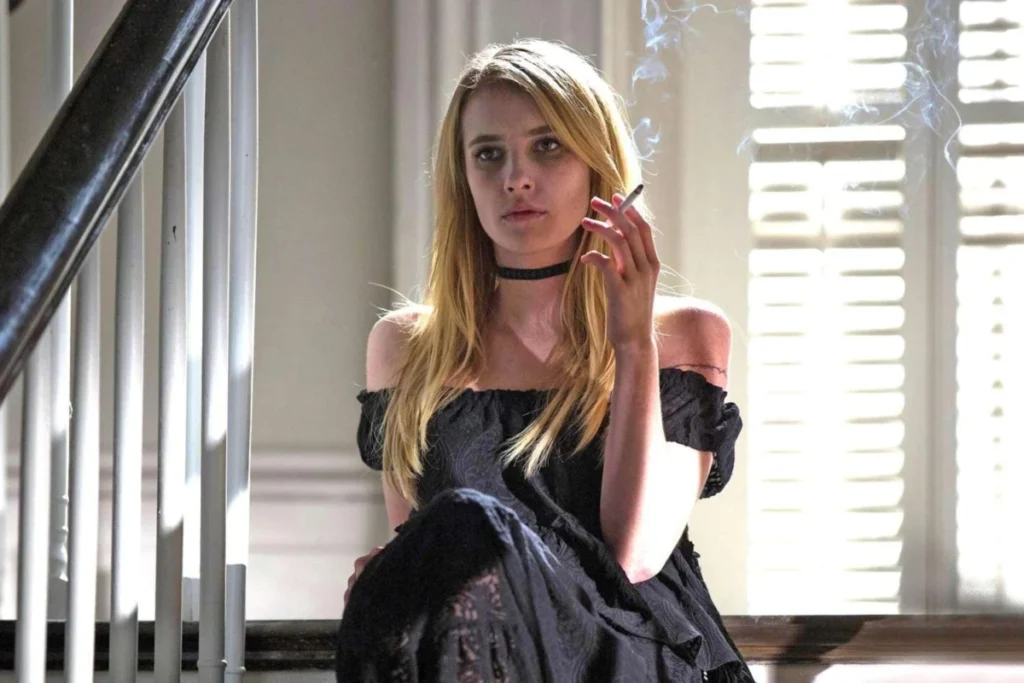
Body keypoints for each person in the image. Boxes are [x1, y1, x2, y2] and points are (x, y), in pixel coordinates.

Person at [336, 38, 754, 682]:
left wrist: (632, 346)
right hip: (485, 661)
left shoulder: (684, 335)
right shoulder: (405, 347)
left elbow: (634, 555)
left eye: (548, 146)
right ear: (462, 179)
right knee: (445, 541)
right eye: (488, 154)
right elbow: (433, 573)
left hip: (627, 652)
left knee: (462, 523)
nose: (516, 178)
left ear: (596, 163)